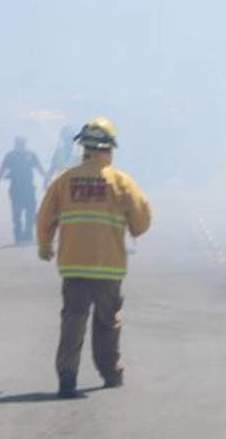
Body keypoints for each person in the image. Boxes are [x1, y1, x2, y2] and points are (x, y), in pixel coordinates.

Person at [36, 117, 151, 399]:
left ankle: (67, 377)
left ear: (84, 148)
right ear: (109, 148)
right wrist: (131, 226)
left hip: (73, 266)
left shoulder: (65, 181)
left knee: (73, 321)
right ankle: (111, 374)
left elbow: (45, 216)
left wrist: (45, 245)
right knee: (107, 323)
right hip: (108, 268)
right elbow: (141, 220)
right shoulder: (121, 182)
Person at [0, 136, 46, 243]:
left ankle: (28, 233)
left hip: (28, 188)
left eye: (22, 144)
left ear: (25, 144)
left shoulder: (31, 155)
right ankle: (18, 235)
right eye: (19, 144)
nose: (20, 146)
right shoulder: (10, 156)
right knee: (16, 213)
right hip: (16, 189)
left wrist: (46, 179)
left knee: (31, 212)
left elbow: (40, 168)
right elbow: (2, 170)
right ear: (15, 145)